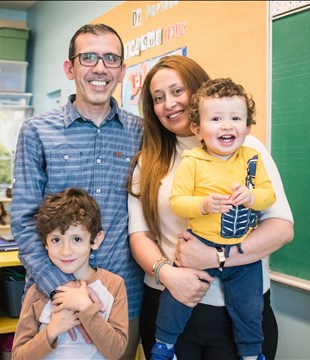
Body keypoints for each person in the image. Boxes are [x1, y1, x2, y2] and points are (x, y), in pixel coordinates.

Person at [127, 55, 294, 360]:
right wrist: (168, 274)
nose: (169, 104)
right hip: (169, 303)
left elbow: (282, 229)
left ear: (197, 91)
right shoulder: (147, 161)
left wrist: (217, 257)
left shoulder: (248, 150)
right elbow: (140, 235)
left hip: (238, 314)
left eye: (178, 91)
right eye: (158, 98)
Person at [10, 23, 143, 360]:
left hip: (119, 302)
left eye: (111, 58)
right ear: (70, 68)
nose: (100, 68)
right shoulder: (37, 131)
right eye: (89, 57)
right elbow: (26, 220)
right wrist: (62, 287)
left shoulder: (141, 134)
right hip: (49, 298)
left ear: (122, 70)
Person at [152, 78, 276, 360]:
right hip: (198, 243)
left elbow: (269, 196)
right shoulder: (192, 161)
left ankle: (251, 353)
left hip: (243, 255)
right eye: (216, 119)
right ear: (197, 129)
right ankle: (164, 345)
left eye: (236, 118)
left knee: (249, 307)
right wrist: (204, 205)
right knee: (176, 300)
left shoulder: (252, 159)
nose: (227, 125)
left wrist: (252, 197)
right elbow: (178, 202)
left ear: (247, 127)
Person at [12, 188, 128, 359]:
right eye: (56, 240)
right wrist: (53, 330)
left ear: (96, 240)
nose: (66, 251)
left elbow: (116, 351)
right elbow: (18, 356)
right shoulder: (36, 293)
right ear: (45, 243)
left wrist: (86, 308)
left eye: (77, 239)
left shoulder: (114, 285)